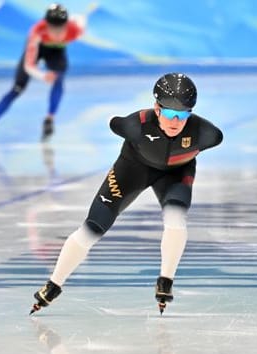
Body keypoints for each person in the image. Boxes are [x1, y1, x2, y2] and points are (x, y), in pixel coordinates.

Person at [30, 73, 224, 315]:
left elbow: (215, 136)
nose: (176, 121)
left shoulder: (206, 133)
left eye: (183, 114)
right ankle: (54, 284)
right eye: (170, 113)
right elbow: (115, 122)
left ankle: (166, 281)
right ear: (156, 108)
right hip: (132, 169)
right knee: (93, 227)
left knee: (176, 217)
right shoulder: (135, 125)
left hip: (175, 174)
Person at [0, 3, 91, 140]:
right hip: (37, 50)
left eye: (60, 28)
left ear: (66, 25)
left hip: (56, 52)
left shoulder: (76, 29)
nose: (56, 33)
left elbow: (81, 18)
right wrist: (43, 75)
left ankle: (49, 119)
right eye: (52, 28)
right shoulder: (37, 32)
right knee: (17, 88)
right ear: (46, 25)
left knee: (58, 79)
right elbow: (29, 65)